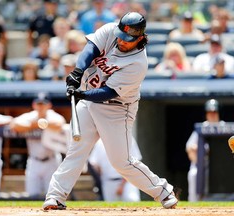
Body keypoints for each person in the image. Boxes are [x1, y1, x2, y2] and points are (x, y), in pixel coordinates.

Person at [42, 12, 178, 210]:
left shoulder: (138, 63)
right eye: (121, 35)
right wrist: (77, 72)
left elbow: (108, 92)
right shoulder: (110, 30)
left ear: (140, 38)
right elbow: (91, 49)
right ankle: (55, 196)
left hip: (116, 109)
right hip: (89, 102)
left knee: (121, 162)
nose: (121, 41)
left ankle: (163, 191)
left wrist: (82, 95)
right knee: (76, 151)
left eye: (128, 39)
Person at [10, 93, 67, 196]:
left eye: (43, 104)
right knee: (32, 195)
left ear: (49, 105)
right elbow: (14, 124)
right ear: (34, 105)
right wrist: (36, 124)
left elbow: (60, 123)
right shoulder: (30, 116)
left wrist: (43, 123)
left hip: (51, 160)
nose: (40, 106)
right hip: (34, 161)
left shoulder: (52, 115)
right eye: (38, 104)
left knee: (52, 195)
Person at [185, 99, 224, 202]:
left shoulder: (223, 127)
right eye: (210, 112)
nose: (212, 114)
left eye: (214, 112)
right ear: (206, 113)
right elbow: (189, 148)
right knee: (194, 173)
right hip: (203, 166)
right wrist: (199, 162)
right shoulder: (202, 128)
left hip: (220, 167)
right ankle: (194, 204)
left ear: (218, 112)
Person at [89, 137, 142, 201]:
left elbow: (134, 163)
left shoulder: (128, 138)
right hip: (107, 182)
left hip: (128, 181)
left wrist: (122, 185)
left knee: (132, 200)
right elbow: (94, 163)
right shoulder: (100, 142)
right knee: (110, 207)